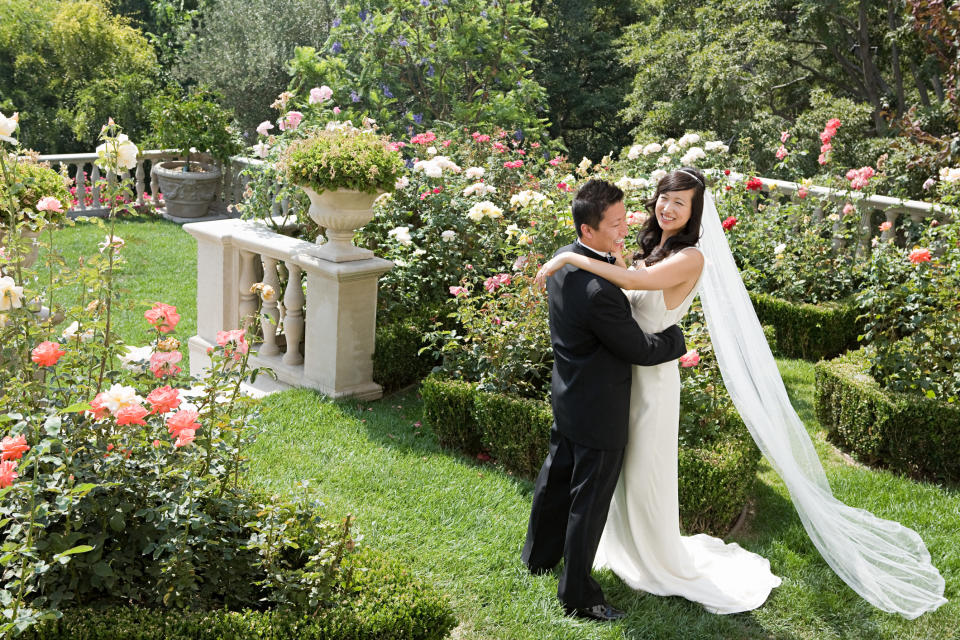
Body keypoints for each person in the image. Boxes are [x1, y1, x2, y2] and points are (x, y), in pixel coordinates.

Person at [535, 168, 947, 619]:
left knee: (646, 471)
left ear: (695, 213)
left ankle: (655, 555)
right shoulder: (649, 248)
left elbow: (632, 285)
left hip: (651, 379)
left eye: (680, 203)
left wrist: (571, 258)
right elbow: (623, 285)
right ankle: (623, 547)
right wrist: (595, 260)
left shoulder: (691, 257)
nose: (666, 208)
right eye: (663, 198)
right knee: (619, 477)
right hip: (624, 378)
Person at [521, 178, 687, 622]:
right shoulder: (599, 292)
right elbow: (639, 349)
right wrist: (677, 341)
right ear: (587, 231)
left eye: (624, 217)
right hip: (601, 411)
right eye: (614, 224)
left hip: (569, 396)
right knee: (588, 503)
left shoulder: (564, 261)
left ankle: (537, 557)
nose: (624, 229)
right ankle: (578, 595)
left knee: (555, 480)